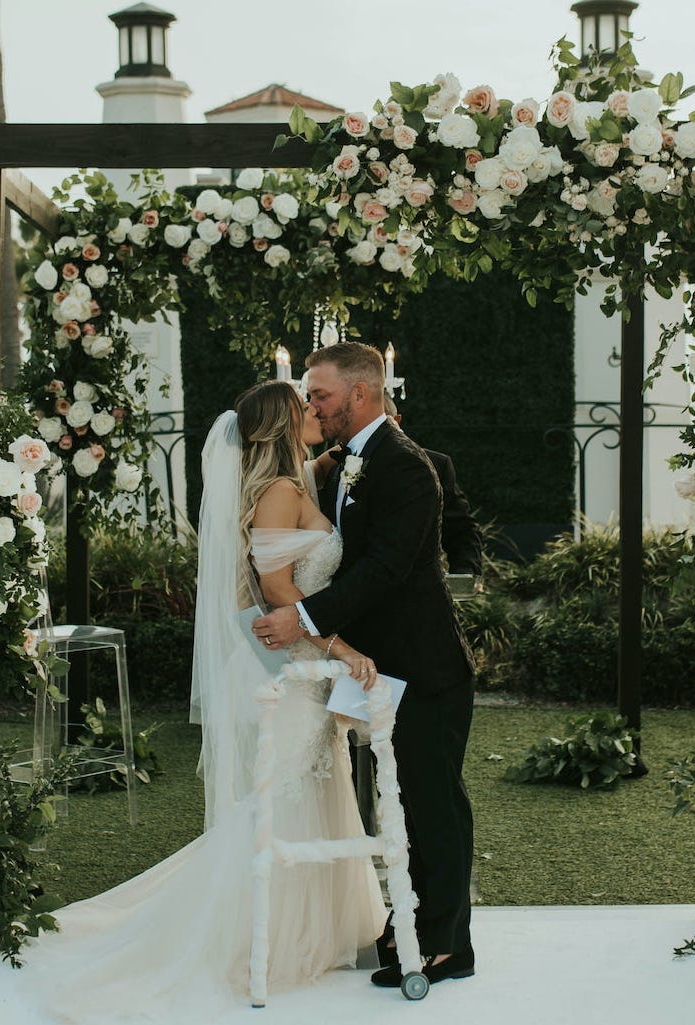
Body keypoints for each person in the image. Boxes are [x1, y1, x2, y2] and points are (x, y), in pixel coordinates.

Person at [22, 380, 384, 1021]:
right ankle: (259, 938)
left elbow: (300, 550)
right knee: (284, 797)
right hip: (293, 668)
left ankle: (313, 933)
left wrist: (339, 456)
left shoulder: (295, 484)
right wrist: (338, 650)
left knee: (305, 791)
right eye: (304, 406)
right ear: (279, 423)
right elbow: (276, 590)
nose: (314, 411)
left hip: (304, 668)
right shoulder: (278, 493)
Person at [253, 341, 477, 988]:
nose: (312, 404)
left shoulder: (404, 466)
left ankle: (444, 942)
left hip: (425, 666)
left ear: (360, 392)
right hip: (380, 667)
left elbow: (385, 569)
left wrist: (305, 617)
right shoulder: (351, 460)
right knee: (402, 799)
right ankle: (414, 921)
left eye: (320, 393)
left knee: (434, 802)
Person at [382, 393, 484, 579]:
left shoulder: (435, 464)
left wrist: (465, 572)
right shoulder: (337, 464)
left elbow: (460, 529)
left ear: (397, 420)